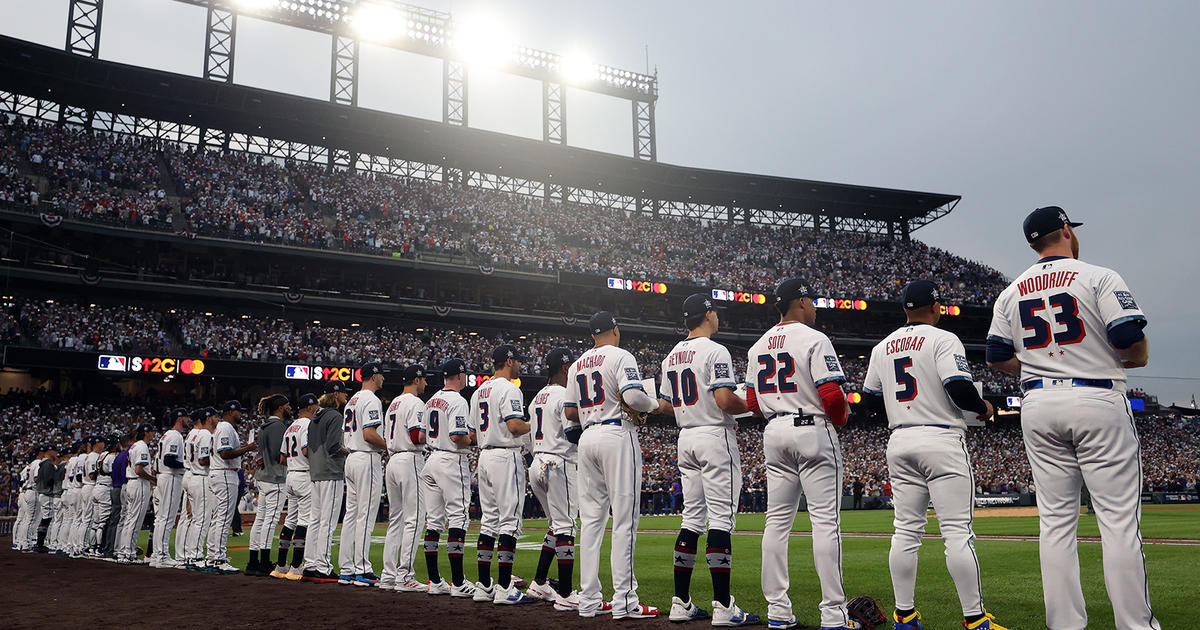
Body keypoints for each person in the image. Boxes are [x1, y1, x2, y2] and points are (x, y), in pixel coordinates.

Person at [986, 206, 1158, 630]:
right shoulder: (1097, 275)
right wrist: (1111, 360)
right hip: (1096, 397)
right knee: (1117, 523)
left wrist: (1041, 368)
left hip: (1038, 405)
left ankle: (1064, 624)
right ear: (1065, 230)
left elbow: (995, 355)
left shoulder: (1012, 291)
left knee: (1056, 524)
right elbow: (1127, 337)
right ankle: (1135, 625)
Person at [862, 279, 1006, 630]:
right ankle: (975, 619)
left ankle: (904, 616)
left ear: (905, 309)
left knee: (905, 532)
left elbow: (867, 403)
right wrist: (984, 407)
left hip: (900, 440)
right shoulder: (943, 338)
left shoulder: (883, 346)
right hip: (941, 439)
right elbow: (958, 388)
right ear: (937, 306)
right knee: (957, 533)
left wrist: (902, 413)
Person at [747, 278, 853, 630]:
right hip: (811, 428)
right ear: (802, 301)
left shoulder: (758, 345)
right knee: (825, 523)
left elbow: (751, 403)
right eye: (813, 301)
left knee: (776, 523)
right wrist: (839, 420)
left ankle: (778, 611)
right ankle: (834, 615)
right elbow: (834, 396)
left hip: (774, 430)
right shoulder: (814, 338)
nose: (816, 307)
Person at [661, 294, 760, 627]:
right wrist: (754, 403)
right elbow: (723, 399)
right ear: (707, 315)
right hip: (714, 435)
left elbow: (663, 406)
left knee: (691, 519)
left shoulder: (672, 354)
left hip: (685, 436)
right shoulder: (715, 350)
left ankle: (680, 602)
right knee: (720, 520)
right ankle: (722, 606)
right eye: (715, 312)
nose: (718, 317)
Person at [564, 311, 670, 620]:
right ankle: (625, 600)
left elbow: (570, 412)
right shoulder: (621, 355)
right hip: (616, 433)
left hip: (587, 438)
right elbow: (633, 395)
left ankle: (589, 599)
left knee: (592, 523)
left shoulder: (577, 364)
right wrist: (654, 405)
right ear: (616, 330)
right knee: (625, 521)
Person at [470, 344, 536, 605]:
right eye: (517, 360)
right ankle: (505, 587)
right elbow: (515, 425)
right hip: (504, 455)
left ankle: (484, 585)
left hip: (484, 455)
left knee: (489, 521)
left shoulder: (478, 392)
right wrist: (537, 424)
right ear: (509, 361)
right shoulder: (509, 388)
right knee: (509, 521)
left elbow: (474, 433)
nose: (520, 364)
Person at [526, 348, 582, 610]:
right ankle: (568, 594)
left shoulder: (537, 397)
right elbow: (571, 433)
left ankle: (539, 582)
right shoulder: (563, 395)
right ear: (564, 368)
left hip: (537, 462)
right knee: (567, 527)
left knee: (556, 526)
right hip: (559, 462)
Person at [418, 358, 476, 596]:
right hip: (450, 460)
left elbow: (421, 436)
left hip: (430, 459)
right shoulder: (458, 401)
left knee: (433, 522)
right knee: (458, 519)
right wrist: (473, 440)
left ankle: (434, 581)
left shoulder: (431, 400)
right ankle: (459, 582)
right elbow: (457, 437)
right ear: (460, 376)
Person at [380, 365, 432, 593]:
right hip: (410, 459)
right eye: (424, 380)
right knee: (415, 519)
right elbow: (416, 436)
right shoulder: (415, 402)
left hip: (392, 461)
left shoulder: (393, 403)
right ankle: (405, 576)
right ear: (417, 379)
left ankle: (388, 576)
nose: (426, 384)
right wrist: (434, 434)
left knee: (396, 521)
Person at [338, 362, 387, 586]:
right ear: (373, 376)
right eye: (381, 375)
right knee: (365, 515)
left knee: (351, 516)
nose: (383, 379)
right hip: (366, 457)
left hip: (351, 457)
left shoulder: (352, 400)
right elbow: (369, 434)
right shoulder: (371, 399)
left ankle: (346, 569)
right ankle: (363, 569)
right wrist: (389, 446)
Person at [302, 380, 350, 583]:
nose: (346, 396)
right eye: (343, 393)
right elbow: (333, 446)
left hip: (316, 471)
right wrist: (349, 452)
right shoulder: (335, 415)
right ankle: (323, 565)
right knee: (328, 522)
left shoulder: (315, 417)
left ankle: (310, 564)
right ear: (336, 395)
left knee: (315, 520)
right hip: (330, 471)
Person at [272, 392, 319, 580]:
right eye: (315, 405)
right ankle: (296, 566)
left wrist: (295, 463)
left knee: (290, 520)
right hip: (304, 476)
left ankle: (280, 566)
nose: (317, 409)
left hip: (290, 475)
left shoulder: (290, 427)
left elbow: (282, 458)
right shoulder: (308, 425)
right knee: (304, 521)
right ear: (309, 407)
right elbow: (307, 450)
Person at [207, 400, 257, 574]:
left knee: (218, 518)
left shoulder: (222, 428)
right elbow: (225, 453)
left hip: (219, 473)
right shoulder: (226, 428)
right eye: (238, 411)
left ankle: (212, 557)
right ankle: (218, 558)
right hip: (224, 473)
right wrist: (247, 448)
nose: (241, 414)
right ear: (230, 412)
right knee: (223, 518)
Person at [246, 394, 291, 577]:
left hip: (264, 477)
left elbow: (265, 454)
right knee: (270, 521)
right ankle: (264, 562)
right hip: (275, 477)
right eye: (287, 405)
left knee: (260, 520)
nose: (289, 408)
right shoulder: (278, 426)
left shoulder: (265, 425)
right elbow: (277, 455)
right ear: (280, 407)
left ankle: (253, 561)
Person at [150, 409, 189, 568]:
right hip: (171, 477)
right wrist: (187, 464)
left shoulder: (167, 435)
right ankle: (162, 555)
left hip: (163, 477)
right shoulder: (174, 435)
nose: (188, 419)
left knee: (161, 518)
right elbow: (169, 460)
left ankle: (156, 555)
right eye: (186, 417)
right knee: (166, 518)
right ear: (179, 418)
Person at [179, 407, 216, 571]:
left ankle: (189, 554)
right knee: (202, 519)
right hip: (200, 477)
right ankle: (196, 556)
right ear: (206, 418)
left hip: (189, 475)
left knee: (193, 519)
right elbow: (203, 460)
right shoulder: (204, 434)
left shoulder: (191, 434)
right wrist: (218, 458)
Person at [117, 424, 157, 563]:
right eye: (152, 431)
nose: (153, 434)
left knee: (129, 520)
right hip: (138, 483)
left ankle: (123, 552)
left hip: (132, 483)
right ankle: (129, 553)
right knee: (135, 520)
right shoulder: (142, 446)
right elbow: (139, 470)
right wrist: (153, 479)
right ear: (146, 433)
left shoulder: (134, 446)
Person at [33, 444, 60, 554]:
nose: (57, 454)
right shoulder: (48, 464)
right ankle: (41, 543)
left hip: (42, 493)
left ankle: (40, 543)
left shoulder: (43, 463)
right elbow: (50, 480)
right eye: (55, 451)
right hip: (47, 493)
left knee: (45, 518)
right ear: (49, 451)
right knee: (48, 518)